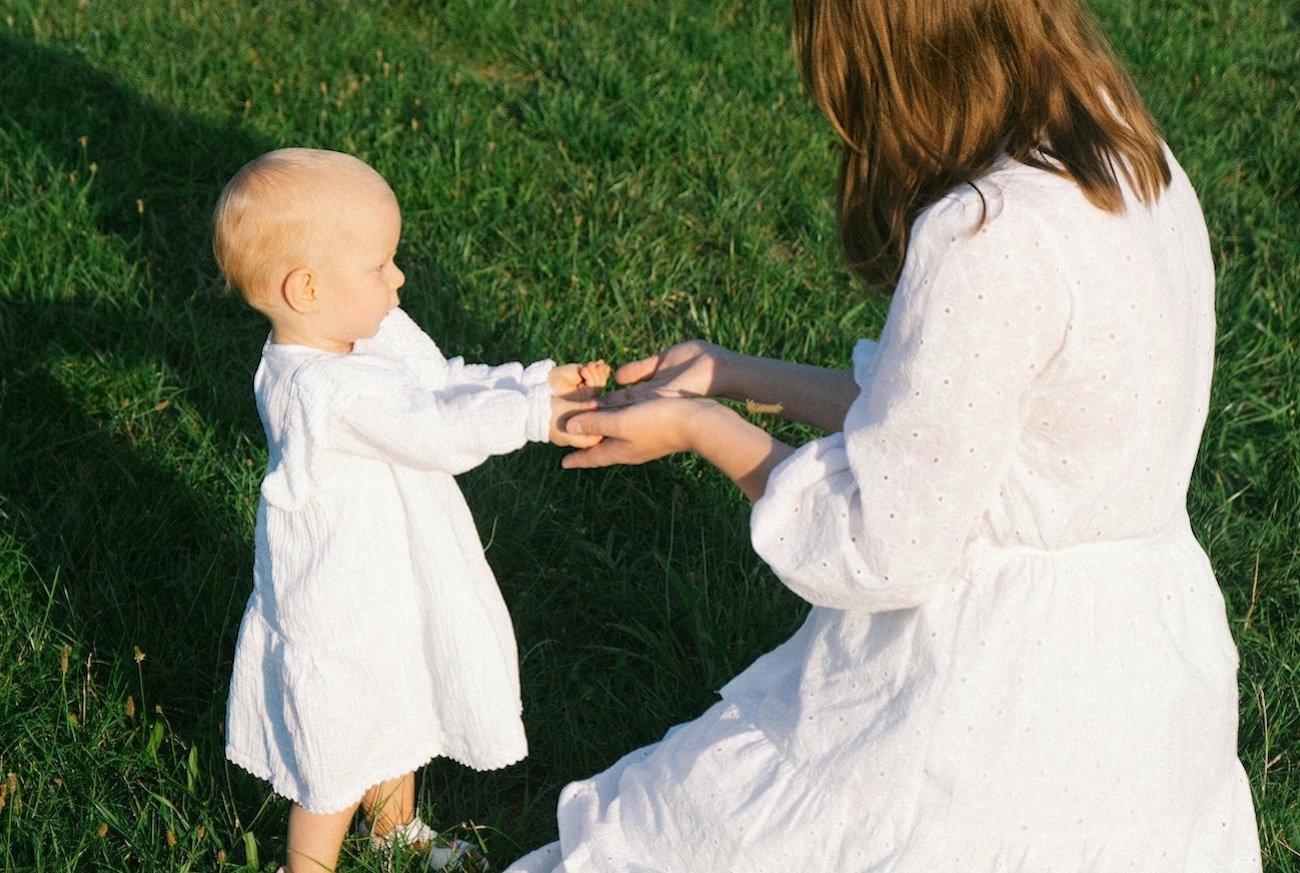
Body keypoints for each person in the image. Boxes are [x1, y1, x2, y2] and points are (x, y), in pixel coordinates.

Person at [508, 0, 1263, 869]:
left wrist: (699, 427)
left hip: (984, 694)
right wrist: (737, 373)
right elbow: (961, 424)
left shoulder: (989, 230)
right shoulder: (1127, 156)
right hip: (1139, 690)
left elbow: (885, 542)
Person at [212, 147, 609, 873]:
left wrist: (535, 380)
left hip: (386, 574)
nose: (397, 277)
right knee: (339, 735)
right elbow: (437, 429)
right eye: (380, 265)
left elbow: (439, 383)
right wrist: (533, 414)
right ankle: (306, 866)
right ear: (307, 288)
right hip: (337, 597)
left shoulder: (360, 330)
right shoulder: (321, 387)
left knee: (399, 695)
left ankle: (396, 831)